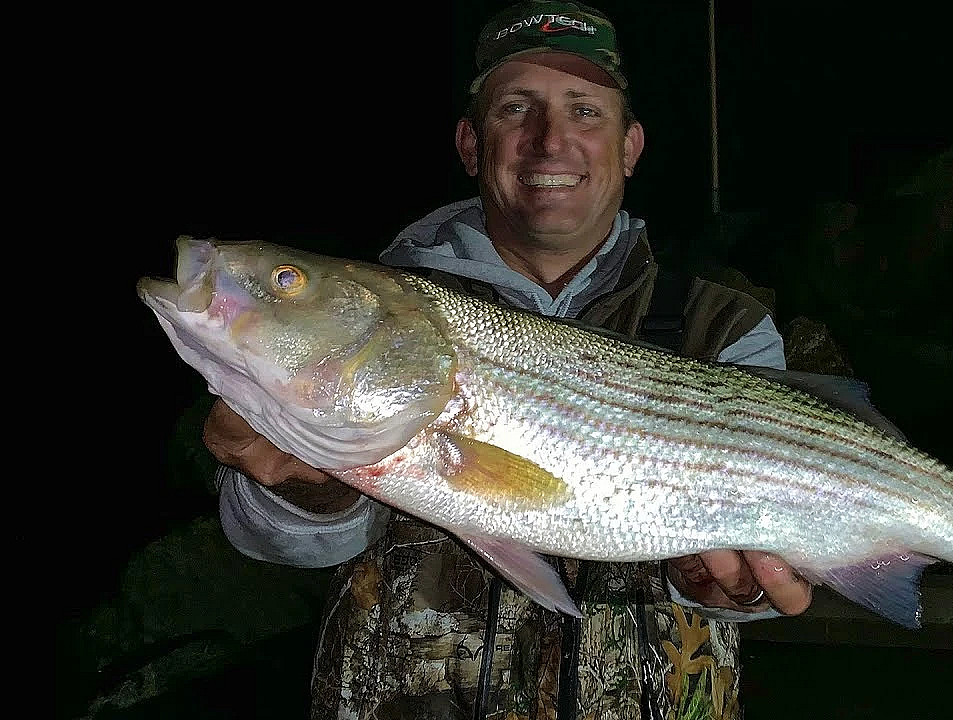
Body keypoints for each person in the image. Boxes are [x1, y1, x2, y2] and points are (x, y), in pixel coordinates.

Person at [204, 3, 814, 718]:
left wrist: (727, 588)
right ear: (471, 144)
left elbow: (786, 549)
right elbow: (283, 547)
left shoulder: (724, 324)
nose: (550, 142)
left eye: (584, 111)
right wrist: (308, 491)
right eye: (516, 109)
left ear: (629, 147)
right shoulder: (376, 310)